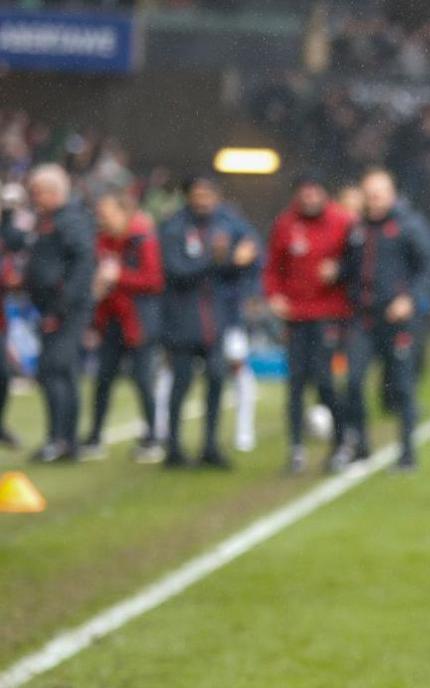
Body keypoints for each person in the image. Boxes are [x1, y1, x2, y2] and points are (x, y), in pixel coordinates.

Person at [158, 176, 257, 468]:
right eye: (198, 194)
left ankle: (210, 445)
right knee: (182, 381)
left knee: (216, 379)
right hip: (182, 318)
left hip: (215, 318)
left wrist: (239, 262)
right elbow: (178, 271)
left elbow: (242, 260)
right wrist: (216, 261)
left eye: (208, 195)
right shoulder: (174, 228)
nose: (203, 200)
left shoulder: (226, 224)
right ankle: (173, 446)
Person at [340, 169, 430, 471]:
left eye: (379, 194)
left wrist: (411, 299)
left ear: (391, 194)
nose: (374, 201)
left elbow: (429, 266)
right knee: (353, 381)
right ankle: (362, 446)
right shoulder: (358, 229)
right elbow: (350, 268)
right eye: (369, 196)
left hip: (398, 321)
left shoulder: (409, 226)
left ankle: (408, 454)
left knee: (402, 388)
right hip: (364, 319)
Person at [2, 165, 95, 463]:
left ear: (55, 192)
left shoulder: (71, 220)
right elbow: (18, 243)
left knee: (53, 370)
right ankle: (66, 441)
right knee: (62, 372)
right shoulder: (45, 220)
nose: (34, 197)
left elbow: (83, 264)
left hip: (65, 310)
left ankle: (60, 440)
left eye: (38, 191)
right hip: (51, 307)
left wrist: (62, 304)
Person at [263, 176, 353, 474]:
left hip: (328, 312)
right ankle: (296, 448)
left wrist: (339, 270)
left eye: (315, 192)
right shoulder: (285, 224)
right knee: (296, 382)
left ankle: (341, 441)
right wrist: (274, 295)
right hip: (295, 314)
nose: (310, 198)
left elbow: (357, 262)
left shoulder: (342, 221)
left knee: (325, 380)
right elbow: (273, 267)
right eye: (305, 193)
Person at [83, 190, 165, 463]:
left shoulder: (143, 239)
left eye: (106, 212)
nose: (102, 218)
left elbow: (153, 280)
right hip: (111, 320)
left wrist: (119, 277)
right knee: (103, 378)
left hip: (138, 321)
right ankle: (94, 436)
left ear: (124, 212)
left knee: (142, 378)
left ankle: (153, 437)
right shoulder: (104, 240)